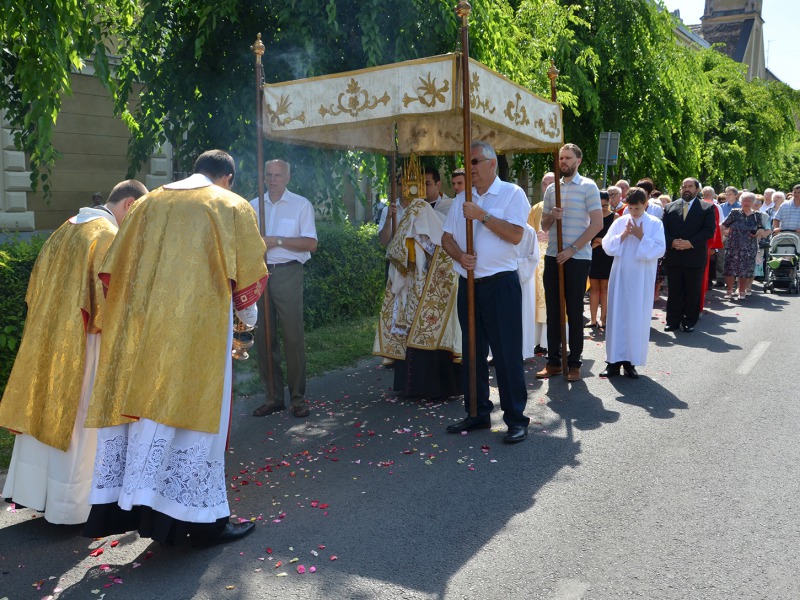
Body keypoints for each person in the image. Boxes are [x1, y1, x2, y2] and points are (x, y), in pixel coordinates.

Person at [83, 150, 268, 547]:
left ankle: (147, 513)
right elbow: (248, 283)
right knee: (194, 427)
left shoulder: (146, 203)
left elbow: (114, 276)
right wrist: (245, 325)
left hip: (145, 335)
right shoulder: (230, 205)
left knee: (149, 422)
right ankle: (201, 523)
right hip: (198, 337)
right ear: (227, 178)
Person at [0, 180, 147, 525]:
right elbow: (114, 301)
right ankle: (72, 506)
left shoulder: (67, 227)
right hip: (88, 342)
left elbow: (35, 286)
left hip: (49, 338)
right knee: (81, 418)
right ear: (128, 205)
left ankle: (40, 494)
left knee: (48, 411)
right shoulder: (108, 235)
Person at [441, 141, 530, 444]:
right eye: (467, 163)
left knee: (506, 354)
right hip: (470, 284)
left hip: (501, 283)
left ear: (492, 163)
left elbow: (516, 234)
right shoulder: (461, 199)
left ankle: (516, 418)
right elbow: (447, 238)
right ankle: (477, 411)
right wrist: (459, 256)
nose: (470, 169)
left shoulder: (512, 194)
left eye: (475, 162)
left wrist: (482, 216)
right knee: (473, 353)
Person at [373, 158, 462, 400]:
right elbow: (386, 243)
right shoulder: (397, 208)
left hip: (438, 281)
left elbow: (448, 240)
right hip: (408, 279)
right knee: (408, 329)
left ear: (437, 184)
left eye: (426, 184)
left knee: (438, 328)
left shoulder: (450, 206)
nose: (418, 190)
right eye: (409, 184)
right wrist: (395, 218)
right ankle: (408, 385)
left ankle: (443, 386)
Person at [250, 159, 318, 418]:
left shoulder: (301, 204)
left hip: (288, 272)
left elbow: (311, 243)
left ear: (287, 178)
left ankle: (297, 398)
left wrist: (276, 241)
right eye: (269, 175)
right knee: (265, 338)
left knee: (292, 337)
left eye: (278, 175)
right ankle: (273, 397)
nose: (273, 179)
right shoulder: (254, 206)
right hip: (261, 274)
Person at [536, 143, 602, 382]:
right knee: (553, 310)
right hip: (553, 256)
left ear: (578, 161)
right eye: (561, 158)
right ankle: (553, 362)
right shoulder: (552, 189)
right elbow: (543, 225)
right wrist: (552, 215)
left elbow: (597, 224)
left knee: (574, 310)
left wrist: (572, 249)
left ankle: (574, 363)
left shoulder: (588, 186)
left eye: (567, 158)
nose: (563, 162)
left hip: (577, 257)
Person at [599, 187, 666, 379]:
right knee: (617, 315)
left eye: (638, 208)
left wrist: (640, 235)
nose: (634, 212)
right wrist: (623, 235)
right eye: (631, 208)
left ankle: (630, 362)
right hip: (620, 274)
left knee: (636, 317)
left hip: (641, 277)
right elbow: (607, 245)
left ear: (645, 204)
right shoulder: (620, 221)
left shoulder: (654, 223)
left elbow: (660, 249)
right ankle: (613, 362)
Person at [661, 178, 716, 332]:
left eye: (690, 186)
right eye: (684, 186)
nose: (686, 189)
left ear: (697, 190)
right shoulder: (670, 207)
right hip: (674, 256)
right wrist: (671, 242)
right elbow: (663, 230)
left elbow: (708, 231)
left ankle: (689, 320)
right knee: (674, 290)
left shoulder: (707, 208)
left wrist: (690, 243)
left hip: (694, 256)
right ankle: (672, 320)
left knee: (693, 290)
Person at [721, 191, 770, 300]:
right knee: (730, 268)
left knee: (745, 270)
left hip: (749, 247)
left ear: (753, 202)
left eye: (749, 200)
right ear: (740, 201)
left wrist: (759, 233)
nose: (746, 202)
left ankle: (741, 291)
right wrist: (722, 232)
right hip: (733, 245)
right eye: (744, 200)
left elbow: (761, 228)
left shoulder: (757, 215)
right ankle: (729, 290)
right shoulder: (734, 212)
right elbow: (724, 224)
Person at [526, 172, 554, 355]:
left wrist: (550, 237)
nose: (547, 188)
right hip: (536, 261)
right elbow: (526, 231)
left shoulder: (562, 208)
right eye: (545, 184)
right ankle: (537, 340)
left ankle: (552, 341)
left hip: (554, 257)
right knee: (535, 301)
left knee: (552, 300)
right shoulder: (536, 208)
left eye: (551, 185)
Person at [587, 190, 614, 330]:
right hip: (593, 255)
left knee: (605, 288)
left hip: (607, 257)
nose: (603, 208)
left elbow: (616, 240)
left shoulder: (614, 218)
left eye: (605, 205)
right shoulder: (590, 217)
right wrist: (596, 241)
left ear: (609, 203)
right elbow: (588, 239)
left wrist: (600, 241)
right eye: (600, 205)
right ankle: (592, 319)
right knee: (594, 288)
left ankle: (603, 319)